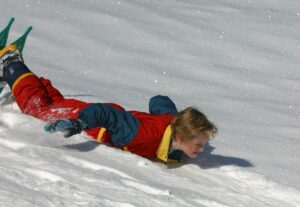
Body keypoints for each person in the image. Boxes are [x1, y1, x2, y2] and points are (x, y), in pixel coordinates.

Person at [0, 44, 217, 163]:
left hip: (110, 115)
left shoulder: (174, 130)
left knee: (55, 103)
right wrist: (78, 124)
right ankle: (11, 64)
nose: (202, 148)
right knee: (38, 110)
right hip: (91, 117)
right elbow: (104, 114)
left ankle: (27, 78)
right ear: (179, 135)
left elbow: (159, 102)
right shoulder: (143, 134)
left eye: (203, 143)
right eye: (198, 143)